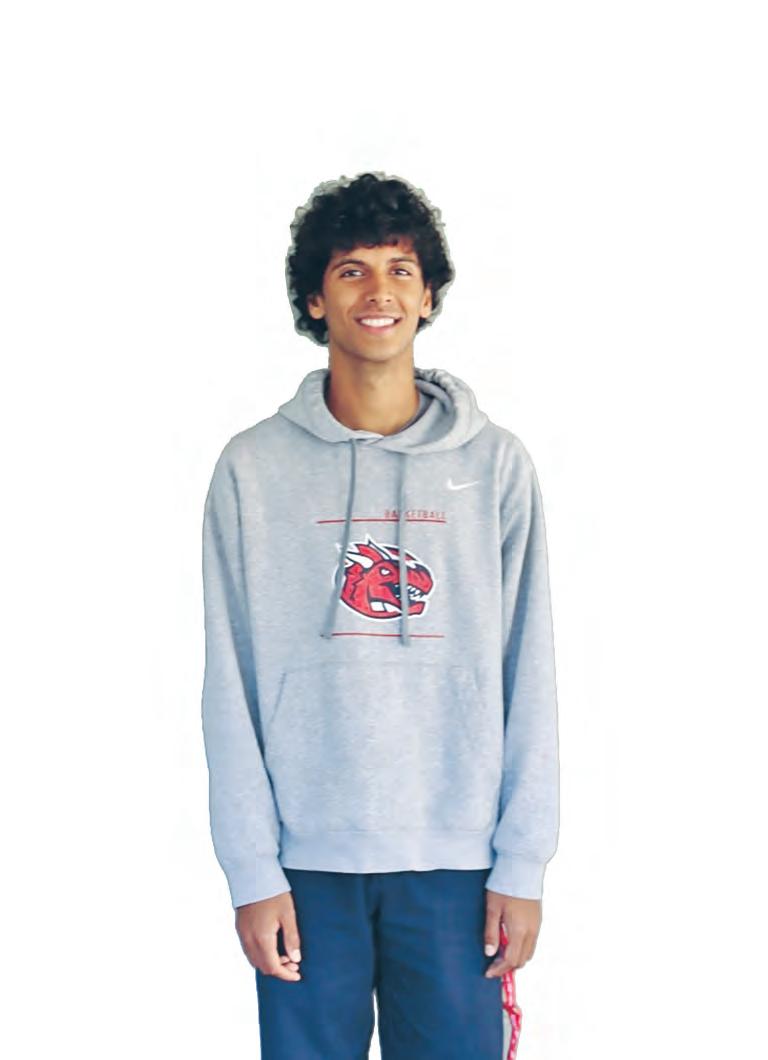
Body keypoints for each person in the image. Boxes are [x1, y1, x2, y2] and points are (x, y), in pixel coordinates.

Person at [200, 171, 560, 1059]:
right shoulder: (251, 469)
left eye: (401, 270)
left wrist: (522, 862)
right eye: (351, 271)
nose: (379, 292)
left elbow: (530, 669)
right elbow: (228, 678)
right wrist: (251, 870)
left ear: (428, 296)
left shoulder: (496, 466)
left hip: (457, 862)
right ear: (314, 299)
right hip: (304, 863)